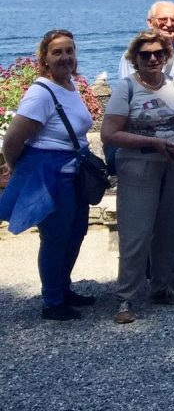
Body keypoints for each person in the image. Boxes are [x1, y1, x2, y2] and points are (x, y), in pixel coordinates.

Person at [102, 31, 174, 325]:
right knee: (137, 232)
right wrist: (153, 143)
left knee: (169, 227)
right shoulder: (126, 88)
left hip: (173, 162)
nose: (153, 58)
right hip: (138, 165)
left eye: (159, 53)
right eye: (146, 55)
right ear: (135, 59)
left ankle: (161, 286)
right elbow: (109, 133)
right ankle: (125, 298)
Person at [0, 30, 97, 321]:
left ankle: (63, 288)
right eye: (57, 52)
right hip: (52, 176)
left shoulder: (70, 85)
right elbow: (13, 140)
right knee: (55, 238)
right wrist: (17, 168)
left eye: (69, 51)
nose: (65, 57)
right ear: (44, 58)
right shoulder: (41, 93)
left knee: (76, 233)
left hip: (74, 172)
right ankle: (52, 301)